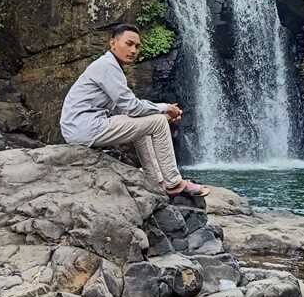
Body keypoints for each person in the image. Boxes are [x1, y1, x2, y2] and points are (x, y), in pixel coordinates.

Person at [60, 23, 210, 197]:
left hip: (85, 127)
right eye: (128, 44)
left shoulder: (111, 66)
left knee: (148, 123)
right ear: (113, 43)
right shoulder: (107, 66)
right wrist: (165, 108)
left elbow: (126, 111)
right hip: (85, 128)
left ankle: (157, 180)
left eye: (137, 46)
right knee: (157, 122)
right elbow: (132, 106)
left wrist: (158, 113)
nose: (133, 50)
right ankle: (174, 182)